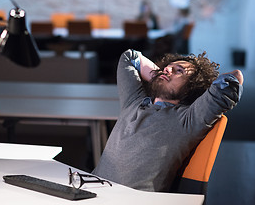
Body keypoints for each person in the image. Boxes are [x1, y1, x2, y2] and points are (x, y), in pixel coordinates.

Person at [92, 49, 243, 192]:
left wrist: (197, 90)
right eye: (168, 67)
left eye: (179, 71)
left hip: (131, 199)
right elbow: (129, 58)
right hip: (91, 189)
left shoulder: (188, 119)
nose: (167, 70)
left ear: (192, 86)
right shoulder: (134, 101)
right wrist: (160, 77)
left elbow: (233, 79)